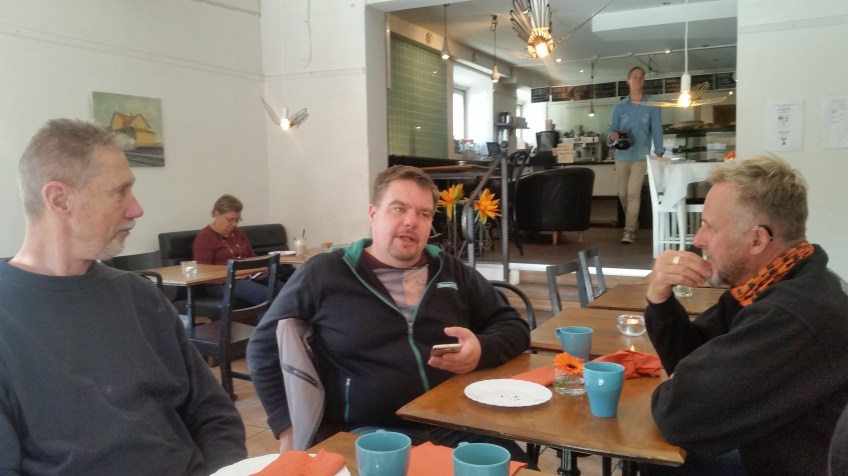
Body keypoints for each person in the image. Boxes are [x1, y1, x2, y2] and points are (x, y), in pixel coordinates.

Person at [0, 119, 246, 474]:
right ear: (60, 199)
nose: (136, 209)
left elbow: (215, 414)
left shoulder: (140, 296)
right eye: (120, 192)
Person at [247, 165, 530, 457]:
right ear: (373, 214)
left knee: (520, 469)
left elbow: (513, 326)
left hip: (456, 422)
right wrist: (286, 426)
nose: (411, 221)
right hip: (368, 432)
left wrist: (481, 350)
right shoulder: (325, 273)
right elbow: (262, 347)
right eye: (398, 209)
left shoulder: (452, 271)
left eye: (423, 214)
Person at [642, 155, 848, 475]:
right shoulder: (774, 284)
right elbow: (688, 356)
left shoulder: (790, 315)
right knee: (656, 461)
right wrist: (660, 299)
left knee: (653, 459)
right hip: (768, 450)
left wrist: (680, 384)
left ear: (757, 239)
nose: (698, 240)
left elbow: (678, 416)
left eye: (709, 226)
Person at [192, 194, 288, 304]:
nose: (234, 224)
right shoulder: (205, 237)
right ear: (216, 214)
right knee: (265, 295)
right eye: (230, 220)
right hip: (220, 283)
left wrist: (260, 270)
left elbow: (251, 257)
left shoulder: (238, 233)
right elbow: (203, 271)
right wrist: (235, 274)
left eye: (237, 220)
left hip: (247, 277)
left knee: (286, 291)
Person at [608, 65, 665, 244]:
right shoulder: (619, 107)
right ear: (628, 81)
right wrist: (613, 135)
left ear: (644, 80)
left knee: (633, 193)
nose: (638, 79)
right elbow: (611, 129)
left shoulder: (652, 106)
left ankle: (629, 230)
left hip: (641, 155)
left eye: (641, 76)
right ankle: (633, 221)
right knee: (623, 194)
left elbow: (657, 130)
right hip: (622, 156)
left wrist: (659, 150)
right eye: (635, 76)